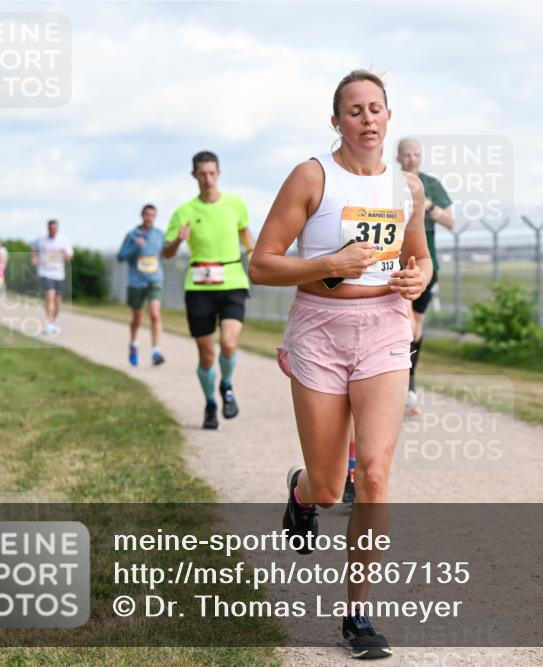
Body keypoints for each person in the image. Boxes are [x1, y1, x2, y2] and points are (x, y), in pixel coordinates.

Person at [249, 69, 430, 660]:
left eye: (376, 108)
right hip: (321, 330)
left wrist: (416, 278)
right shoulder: (312, 177)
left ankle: (357, 614)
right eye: (355, 110)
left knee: (373, 474)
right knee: (330, 488)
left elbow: (421, 258)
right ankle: (302, 492)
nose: (367, 118)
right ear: (337, 121)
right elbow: (262, 264)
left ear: (389, 116)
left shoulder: (407, 187)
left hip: (384, 328)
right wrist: (331, 263)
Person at [164, 151, 253, 430]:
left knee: (228, 343)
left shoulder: (236, 204)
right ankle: (211, 404)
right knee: (206, 355)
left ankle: (226, 385)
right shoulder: (184, 212)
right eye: (202, 174)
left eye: (212, 173)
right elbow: (166, 253)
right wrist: (177, 241)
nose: (208, 179)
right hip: (199, 286)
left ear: (219, 174)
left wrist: (255, 255)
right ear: (194, 175)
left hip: (233, 281)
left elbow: (246, 235)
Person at [395, 138, 454, 415]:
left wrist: (426, 205)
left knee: (415, 327)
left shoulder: (431, 185)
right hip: (395, 263)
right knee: (404, 323)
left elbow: (450, 221)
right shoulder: (390, 181)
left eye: (416, 154)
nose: (411, 159)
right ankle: (396, 387)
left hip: (426, 265)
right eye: (406, 155)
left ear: (421, 156)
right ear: (398, 157)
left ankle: (408, 387)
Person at [117, 204, 166, 366]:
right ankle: (133, 344)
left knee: (155, 314)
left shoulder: (160, 235)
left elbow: (166, 254)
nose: (149, 218)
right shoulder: (131, 235)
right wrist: (134, 246)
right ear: (142, 216)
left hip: (154, 279)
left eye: (152, 215)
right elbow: (120, 257)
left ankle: (156, 351)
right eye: (147, 215)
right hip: (136, 282)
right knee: (137, 318)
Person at [31, 219, 74, 335]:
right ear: (48, 228)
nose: (53, 230)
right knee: (50, 295)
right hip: (45, 272)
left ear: (57, 229)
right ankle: (49, 322)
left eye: (55, 228)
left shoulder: (63, 241)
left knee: (58, 301)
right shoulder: (41, 240)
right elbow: (33, 247)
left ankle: (54, 321)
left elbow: (70, 257)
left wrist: (64, 254)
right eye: (51, 228)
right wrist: (34, 258)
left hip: (59, 274)